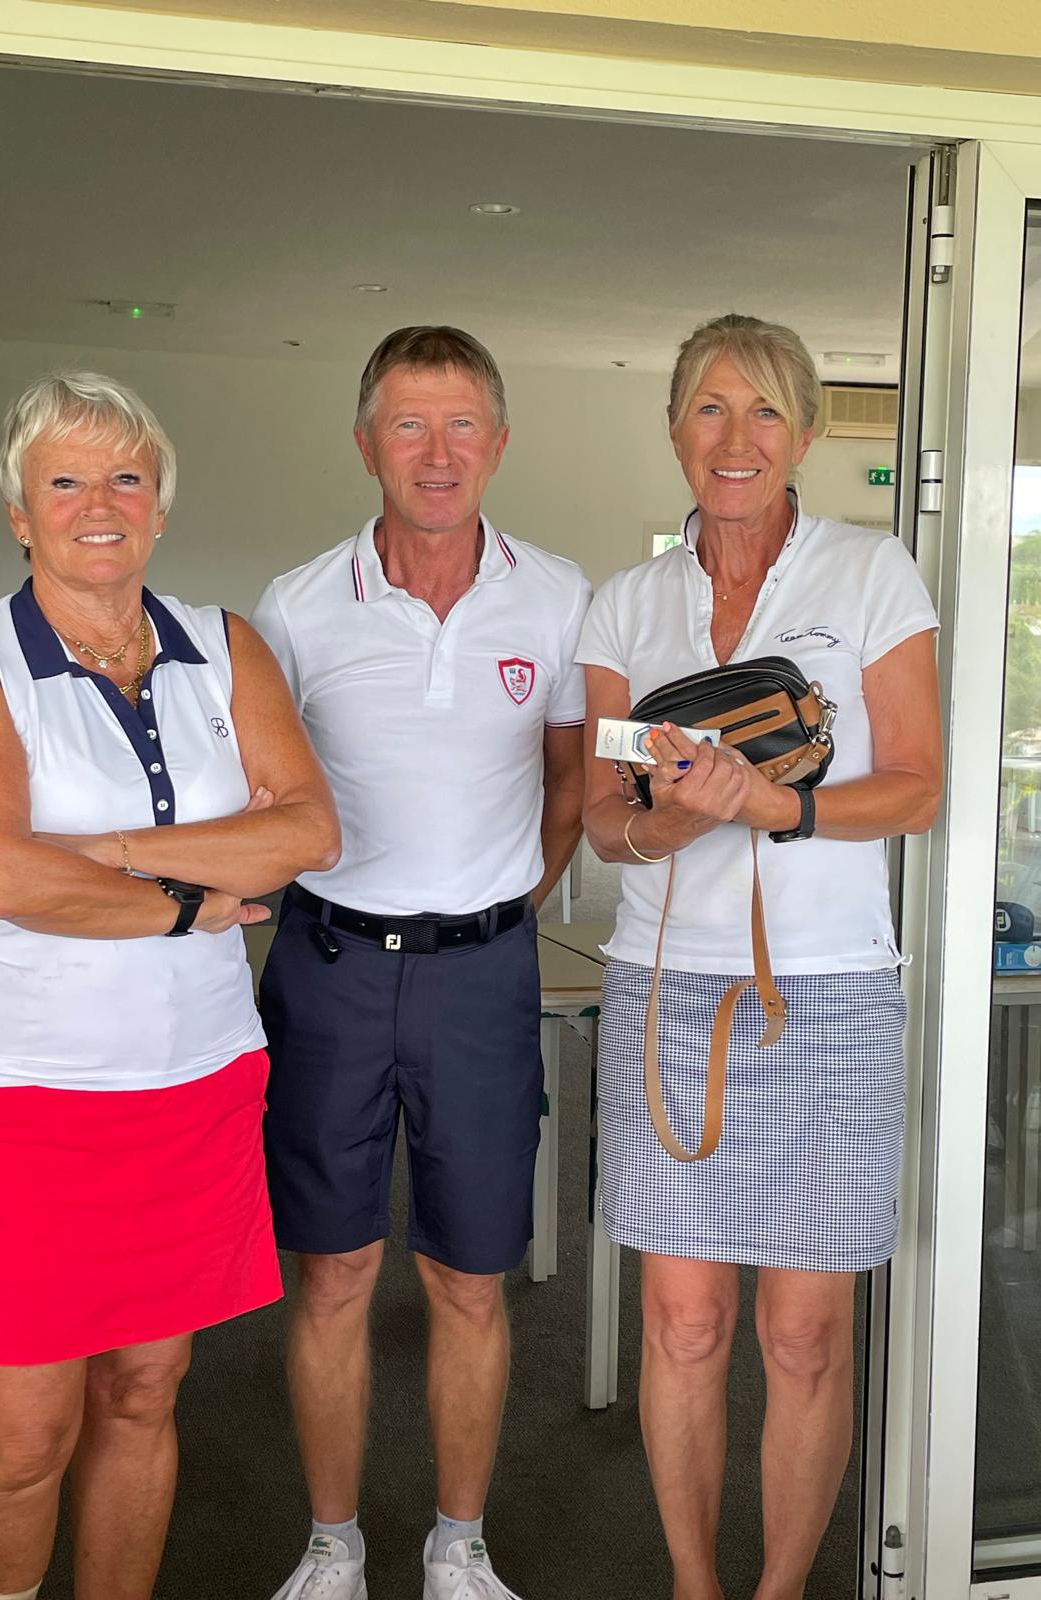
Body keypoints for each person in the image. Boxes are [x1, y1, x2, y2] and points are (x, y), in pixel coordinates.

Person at [0, 370, 340, 1600]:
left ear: (160, 503)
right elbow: (1, 875)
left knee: (147, 1391)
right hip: (26, 1090)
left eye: (127, 477)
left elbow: (308, 831)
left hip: (194, 1078)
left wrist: (99, 854)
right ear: (19, 512)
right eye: (65, 480)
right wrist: (194, 900)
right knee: (23, 1432)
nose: (100, 503)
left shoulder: (223, 644)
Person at [578, 313, 942, 1600]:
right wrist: (683, 814)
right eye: (710, 408)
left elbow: (916, 786)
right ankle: (694, 1584)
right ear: (675, 425)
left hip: (831, 993)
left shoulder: (871, 572)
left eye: (766, 410)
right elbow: (604, 822)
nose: (736, 438)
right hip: (663, 990)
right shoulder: (627, 603)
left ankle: (781, 1591)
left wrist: (770, 803)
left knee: (803, 1335)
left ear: (807, 432)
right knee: (683, 1323)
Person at [251, 325, 591, 1600]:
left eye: (460, 426)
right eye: (409, 424)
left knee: (469, 1274)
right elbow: (265, 791)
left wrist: (498, 910)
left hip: (482, 981)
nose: (436, 453)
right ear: (366, 444)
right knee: (333, 1270)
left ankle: (460, 1544)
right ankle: (331, 1544)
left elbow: (569, 785)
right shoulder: (297, 605)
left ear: (498, 442)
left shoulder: (559, 596)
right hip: (328, 963)